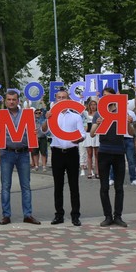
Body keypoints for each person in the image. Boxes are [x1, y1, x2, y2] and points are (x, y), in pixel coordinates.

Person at [0, 91, 40, 225]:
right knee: (5, 186)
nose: (11, 102)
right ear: (5, 101)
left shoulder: (26, 115)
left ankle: (28, 214)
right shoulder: (0, 116)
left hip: (23, 153)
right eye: (9, 99)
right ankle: (6, 215)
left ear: (18, 101)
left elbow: (36, 132)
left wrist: (35, 132)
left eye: (14, 99)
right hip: (6, 153)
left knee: (26, 185)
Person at [44, 88, 85, 226]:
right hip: (57, 153)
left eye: (64, 97)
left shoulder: (76, 116)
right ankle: (59, 214)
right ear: (56, 100)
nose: (61, 100)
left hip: (72, 152)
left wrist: (79, 139)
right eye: (59, 97)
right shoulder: (52, 116)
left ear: (68, 100)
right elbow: (43, 131)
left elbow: (83, 134)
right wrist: (46, 118)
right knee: (58, 186)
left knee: (74, 186)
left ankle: (75, 215)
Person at [90, 87, 128, 227]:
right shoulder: (99, 113)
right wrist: (98, 124)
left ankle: (118, 216)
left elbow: (131, 131)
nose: (105, 98)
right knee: (104, 187)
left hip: (119, 152)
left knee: (119, 187)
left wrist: (128, 121)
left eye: (108, 96)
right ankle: (107, 216)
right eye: (104, 95)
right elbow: (92, 133)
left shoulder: (121, 111)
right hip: (104, 152)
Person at [81, 99, 99, 178]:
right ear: (89, 105)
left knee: (97, 154)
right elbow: (80, 109)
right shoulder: (85, 113)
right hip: (88, 134)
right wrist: (82, 98)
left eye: (94, 104)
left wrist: (98, 97)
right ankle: (89, 172)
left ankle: (97, 172)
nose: (93, 106)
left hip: (97, 134)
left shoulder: (99, 113)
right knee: (89, 154)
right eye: (91, 104)